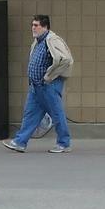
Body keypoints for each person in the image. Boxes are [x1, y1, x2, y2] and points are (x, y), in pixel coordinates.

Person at [6, 15, 74, 153]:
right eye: (32, 25)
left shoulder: (52, 40)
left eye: (36, 25)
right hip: (36, 86)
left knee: (57, 114)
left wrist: (49, 76)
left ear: (45, 27)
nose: (33, 28)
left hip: (48, 85)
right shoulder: (38, 42)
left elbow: (66, 59)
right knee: (30, 114)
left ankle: (64, 143)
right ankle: (20, 142)